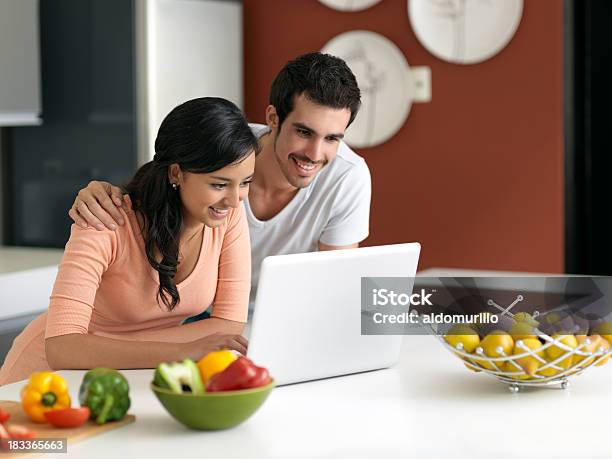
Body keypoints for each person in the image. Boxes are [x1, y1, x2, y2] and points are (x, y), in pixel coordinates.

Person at [68, 52, 371, 306]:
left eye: (333, 138)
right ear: (272, 118)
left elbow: (338, 287)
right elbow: (161, 181)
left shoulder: (347, 177)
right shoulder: (226, 144)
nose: (315, 154)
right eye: (304, 132)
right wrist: (103, 193)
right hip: (189, 310)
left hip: (277, 315)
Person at [0, 97, 258, 385]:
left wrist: (108, 346)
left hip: (126, 379)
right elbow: (62, 347)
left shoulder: (227, 217)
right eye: (219, 184)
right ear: (176, 173)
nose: (235, 199)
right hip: (42, 382)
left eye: (245, 182)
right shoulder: (105, 221)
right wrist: (182, 351)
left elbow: (229, 325)